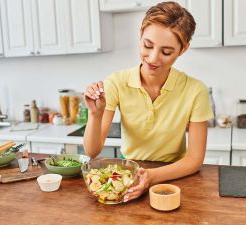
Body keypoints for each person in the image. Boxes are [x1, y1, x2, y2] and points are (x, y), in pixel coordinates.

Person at [83, 1, 213, 202]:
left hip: (175, 176)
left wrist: (151, 177)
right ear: (140, 35)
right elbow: (92, 151)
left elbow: (194, 160)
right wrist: (95, 114)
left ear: (183, 49)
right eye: (148, 45)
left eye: (166, 52)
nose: (153, 58)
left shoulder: (195, 90)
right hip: (129, 176)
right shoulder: (117, 82)